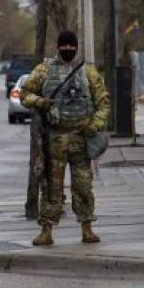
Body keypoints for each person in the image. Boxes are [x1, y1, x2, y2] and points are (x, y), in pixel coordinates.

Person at [20, 30, 110, 246]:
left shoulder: (89, 73)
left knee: (83, 186)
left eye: (72, 46)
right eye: (65, 46)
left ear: (76, 48)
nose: (68, 50)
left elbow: (103, 104)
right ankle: (46, 230)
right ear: (58, 47)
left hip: (81, 138)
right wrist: (40, 102)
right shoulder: (44, 71)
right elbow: (24, 94)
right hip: (55, 140)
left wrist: (94, 126)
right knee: (52, 187)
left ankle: (87, 227)